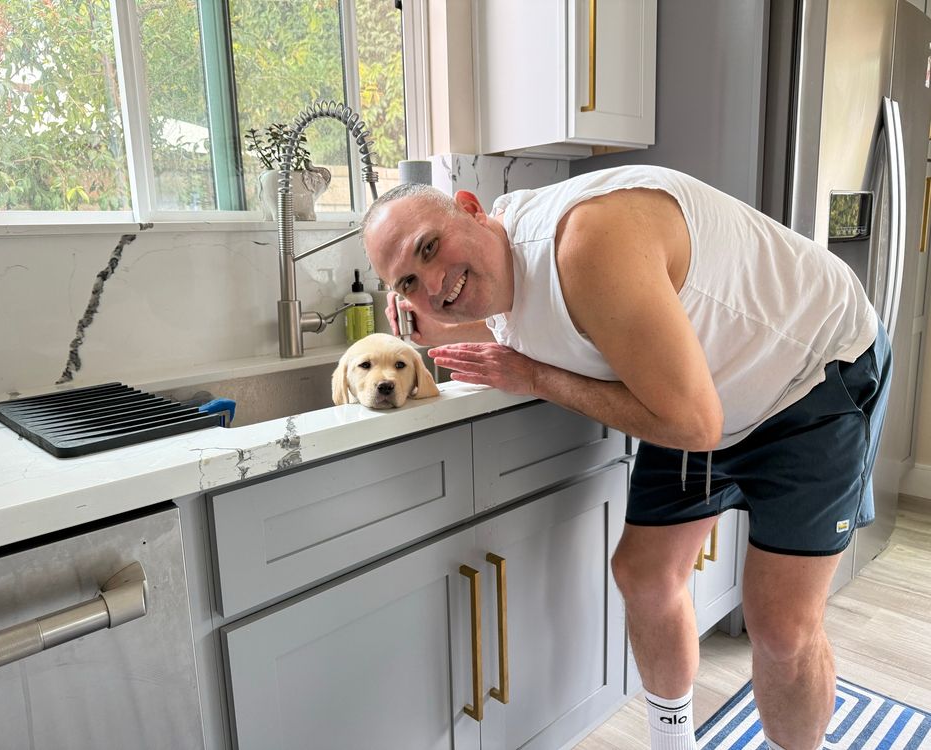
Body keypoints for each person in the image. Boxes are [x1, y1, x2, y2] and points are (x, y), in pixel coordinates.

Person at [361, 165, 892, 750]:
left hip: (811, 372)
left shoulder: (589, 242)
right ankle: (673, 744)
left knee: (781, 626)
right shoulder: (492, 268)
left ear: (470, 206)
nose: (433, 285)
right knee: (643, 575)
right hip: (697, 392)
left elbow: (691, 423)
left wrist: (535, 378)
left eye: (430, 249)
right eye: (407, 283)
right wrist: (430, 327)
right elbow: (532, 319)